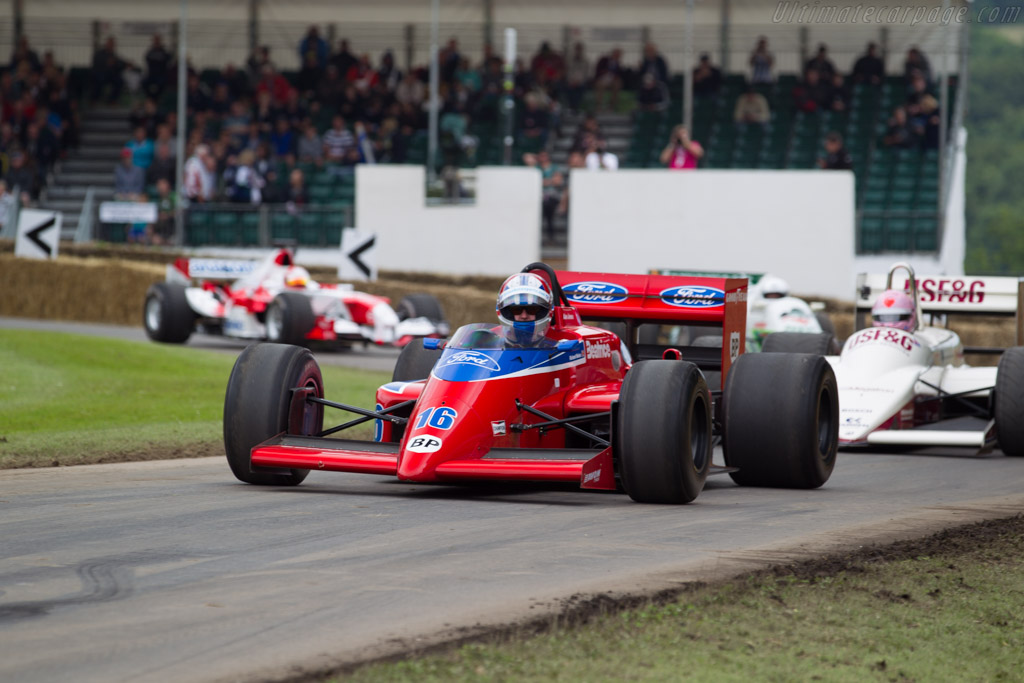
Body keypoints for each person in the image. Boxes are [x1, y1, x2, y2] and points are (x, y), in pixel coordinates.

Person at [495, 273, 555, 348]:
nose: (524, 316)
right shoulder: (492, 343)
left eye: (532, 309)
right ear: (505, 311)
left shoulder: (560, 344)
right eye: (516, 310)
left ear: (546, 311)